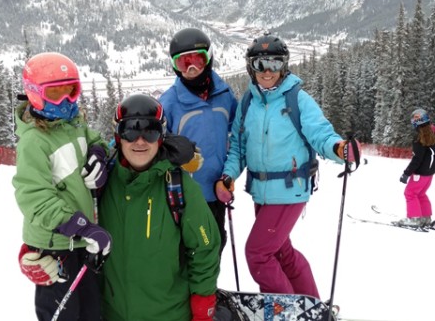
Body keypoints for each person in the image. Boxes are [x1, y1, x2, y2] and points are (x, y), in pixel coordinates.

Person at [214, 33, 359, 299]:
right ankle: (310, 305)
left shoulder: (297, 99)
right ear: (251, 67)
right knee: (281, 251)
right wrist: (229, 175)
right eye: (260, 64)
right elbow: (238, 148)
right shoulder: (248, 102)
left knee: (258, 254)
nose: (267, 71)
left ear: (284, 65)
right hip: (261, 191)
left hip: (290, 189)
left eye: (275, 64)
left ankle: (282, 310)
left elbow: (321, 133)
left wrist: (339, 149)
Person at [97, 94, 221, 320]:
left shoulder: (178, 186)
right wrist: (37, 244)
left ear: (161, 136)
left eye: (150, 131)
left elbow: (205, 246)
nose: (140, 141)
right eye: (130, 131)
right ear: (118, 136)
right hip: (112, 313)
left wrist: (203, 300)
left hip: (169, 314)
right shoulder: (101, 183)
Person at [13, 52, 112, 321]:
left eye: (71, 91)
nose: (66, 101)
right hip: (55, 247)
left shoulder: (73, 123)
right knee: (64, 315)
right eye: (55, 93)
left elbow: (97, 140)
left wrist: (98, 155)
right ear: (35, 94)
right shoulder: (34, 141)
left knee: (92, 312)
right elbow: (35, 197)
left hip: (80, 242)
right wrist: (82, 227)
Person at [160, 27, 238, 256]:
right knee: (190, 249)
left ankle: (208, 289)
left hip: (217, 190)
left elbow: (237, 134)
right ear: (175, 67)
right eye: (184, 63)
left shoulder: (224, 95)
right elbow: (154, 147)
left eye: (198, 60)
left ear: (209, 58)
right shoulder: (169, 103)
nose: (192, 69)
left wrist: (229, 174)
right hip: (186, 196)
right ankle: (189, 291)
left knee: (217, 243)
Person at [396, 108, 435, 228]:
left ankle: (414, 218)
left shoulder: (420, 139)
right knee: (420, 194)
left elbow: (417, 159)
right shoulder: (433, 136)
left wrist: (406, 173)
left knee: (410, 193)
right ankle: (425, 218)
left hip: (420, 174)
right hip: (429, 174)